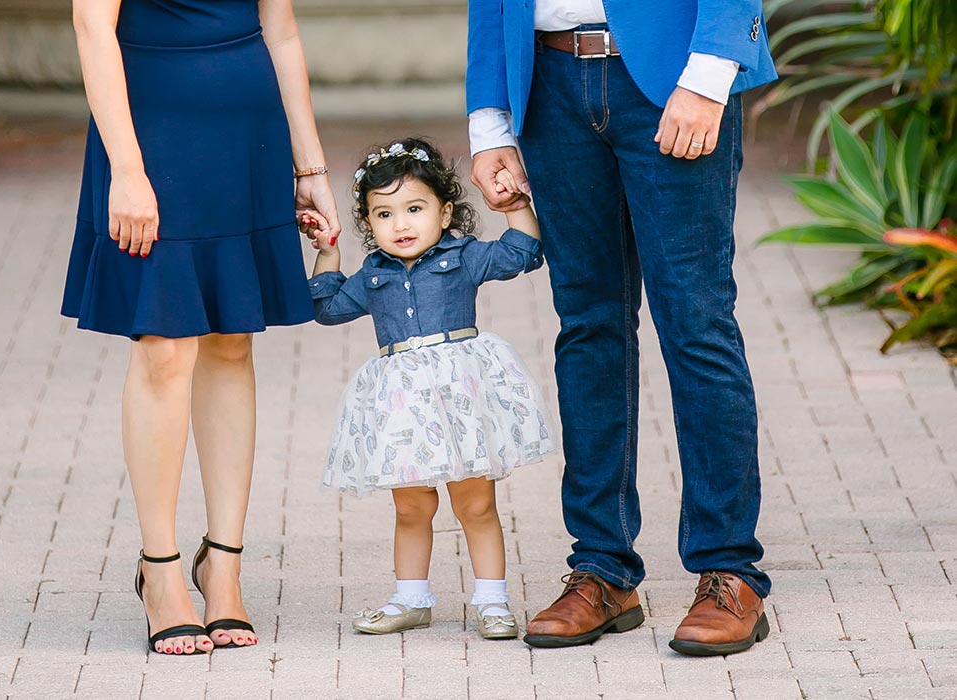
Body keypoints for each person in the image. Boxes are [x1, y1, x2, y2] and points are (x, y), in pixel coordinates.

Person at [465, 0, 777, 655]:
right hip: (550, 86)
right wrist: (489, 119)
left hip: (672, 76)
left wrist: (708, 75)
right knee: (588, 330)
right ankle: (602, 569)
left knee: (696, 326)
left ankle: (729, 571)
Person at [61, 0, 340, 655]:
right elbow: (91, 25)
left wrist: (310, 169)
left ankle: (225, 564)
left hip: (248, 130)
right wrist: (126, 169)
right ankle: (159, 571)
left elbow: (281, 26)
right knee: (163, 346)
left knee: (232, 339)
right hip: (150, 129)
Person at [301, 138, 555, 639]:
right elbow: (327, 308)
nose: (401, 225)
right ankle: (411, 598)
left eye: (414, 209)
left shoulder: (462, 256)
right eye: (384, 215)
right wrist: (328, 252)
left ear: (445, 212)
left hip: (460, 398)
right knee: (412, 505)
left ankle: (492, 600)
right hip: (404, 406)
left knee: (474, 503)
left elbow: (522, 252)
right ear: (369, 226)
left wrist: (516, 206)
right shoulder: (374, 275)